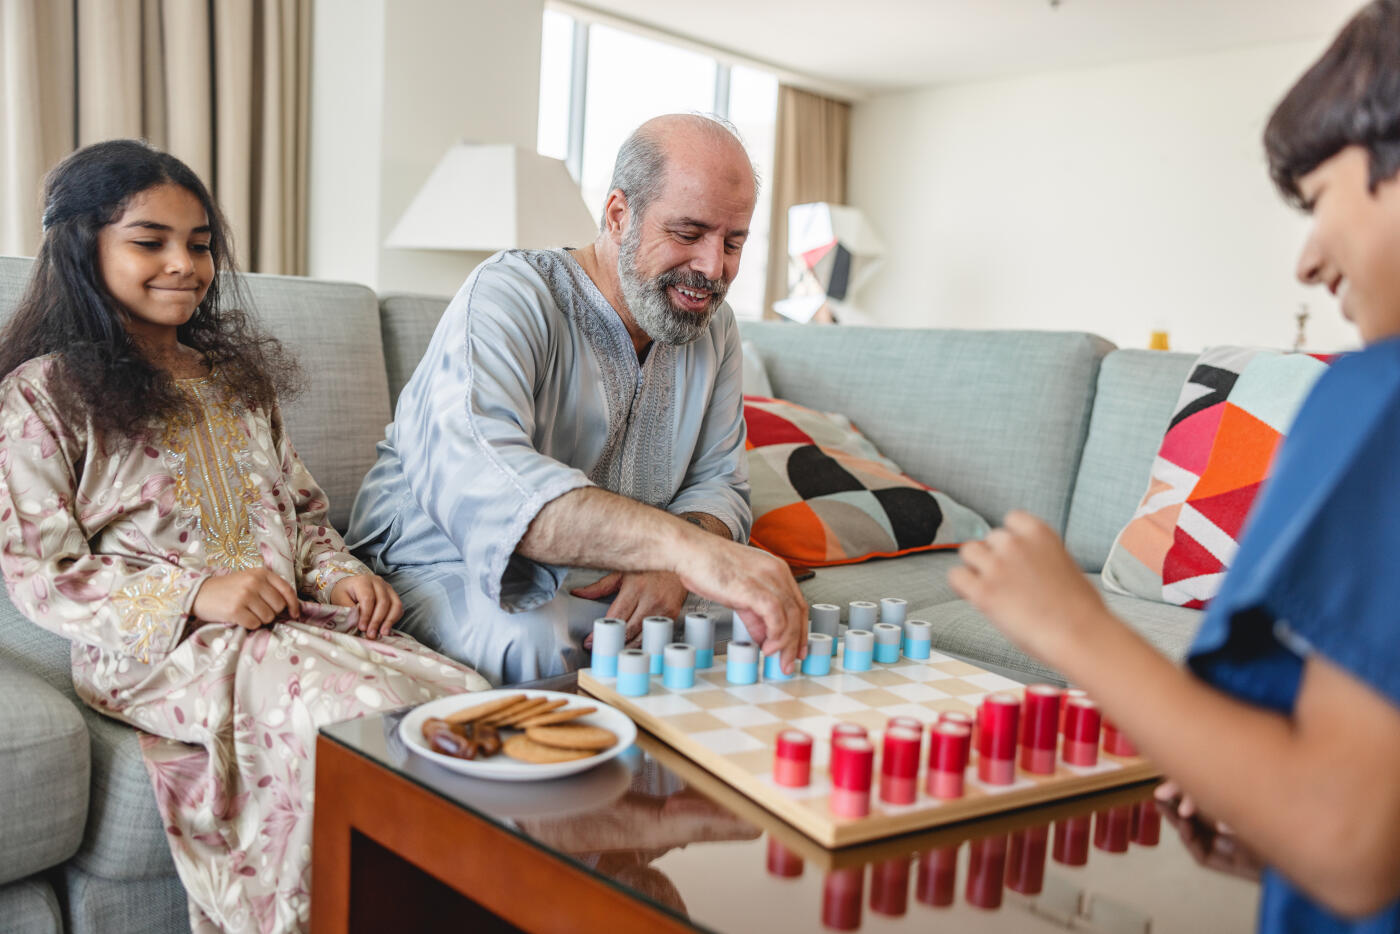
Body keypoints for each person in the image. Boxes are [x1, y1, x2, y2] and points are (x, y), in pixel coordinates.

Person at [948, 2, 1400, 929]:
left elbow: (1348, 843)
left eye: (1317, 201)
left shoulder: (1376, 402)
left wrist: (1074, 624)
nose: (1309, 262)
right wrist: (1284, 831)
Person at [0, 139, 489, 934]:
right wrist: (198, 593)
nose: (184, 264)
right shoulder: (43, 396)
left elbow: (300, 514)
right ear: (83, 248)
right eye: (149, 240)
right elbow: (41, 574)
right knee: (359, 719)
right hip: (156, 650)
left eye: (199, 244)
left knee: (464, 701)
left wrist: (338, 577)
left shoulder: (233, 384)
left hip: (284, 625)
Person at [347, 114, 807, 685]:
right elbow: (489, 481)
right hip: (441, 561)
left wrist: (674, 563)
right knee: (536, 644)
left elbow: (720, 484)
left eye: (732, 242)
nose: (713, 268)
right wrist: (686, 553)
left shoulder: (716, 329)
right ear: (619, 215)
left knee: (758, 630)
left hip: (616, 571)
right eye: (688, 234)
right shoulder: (511, 292)